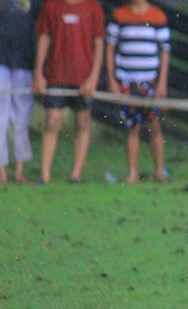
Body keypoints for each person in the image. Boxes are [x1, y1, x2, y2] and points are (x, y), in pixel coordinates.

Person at [32, 0, 105, 184]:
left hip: (83, 77)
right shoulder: (51, 6)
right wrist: (38, 72)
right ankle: (44, 174)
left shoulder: (93, 8)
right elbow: (44, 38)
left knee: (82, 123)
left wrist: (93, 78)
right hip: (56, 74)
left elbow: (98, 43)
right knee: (52, 120)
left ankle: (76, 174)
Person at [105, 0, 171, 184]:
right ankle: (132, 173)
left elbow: (164, 52)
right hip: (128, 81)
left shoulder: (157, 16)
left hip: (150, 82)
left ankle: (159, 171)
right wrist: (112, 79)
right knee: (132, 127)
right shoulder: (119, 16)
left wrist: (162, 84)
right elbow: (110, 48)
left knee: (154, 126)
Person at [0, 0, 42, 184]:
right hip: (1, 61)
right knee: (0, 116)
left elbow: (40, 31)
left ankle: (19, 168)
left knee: (22, 117)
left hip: (25, 62)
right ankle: (1, 169)